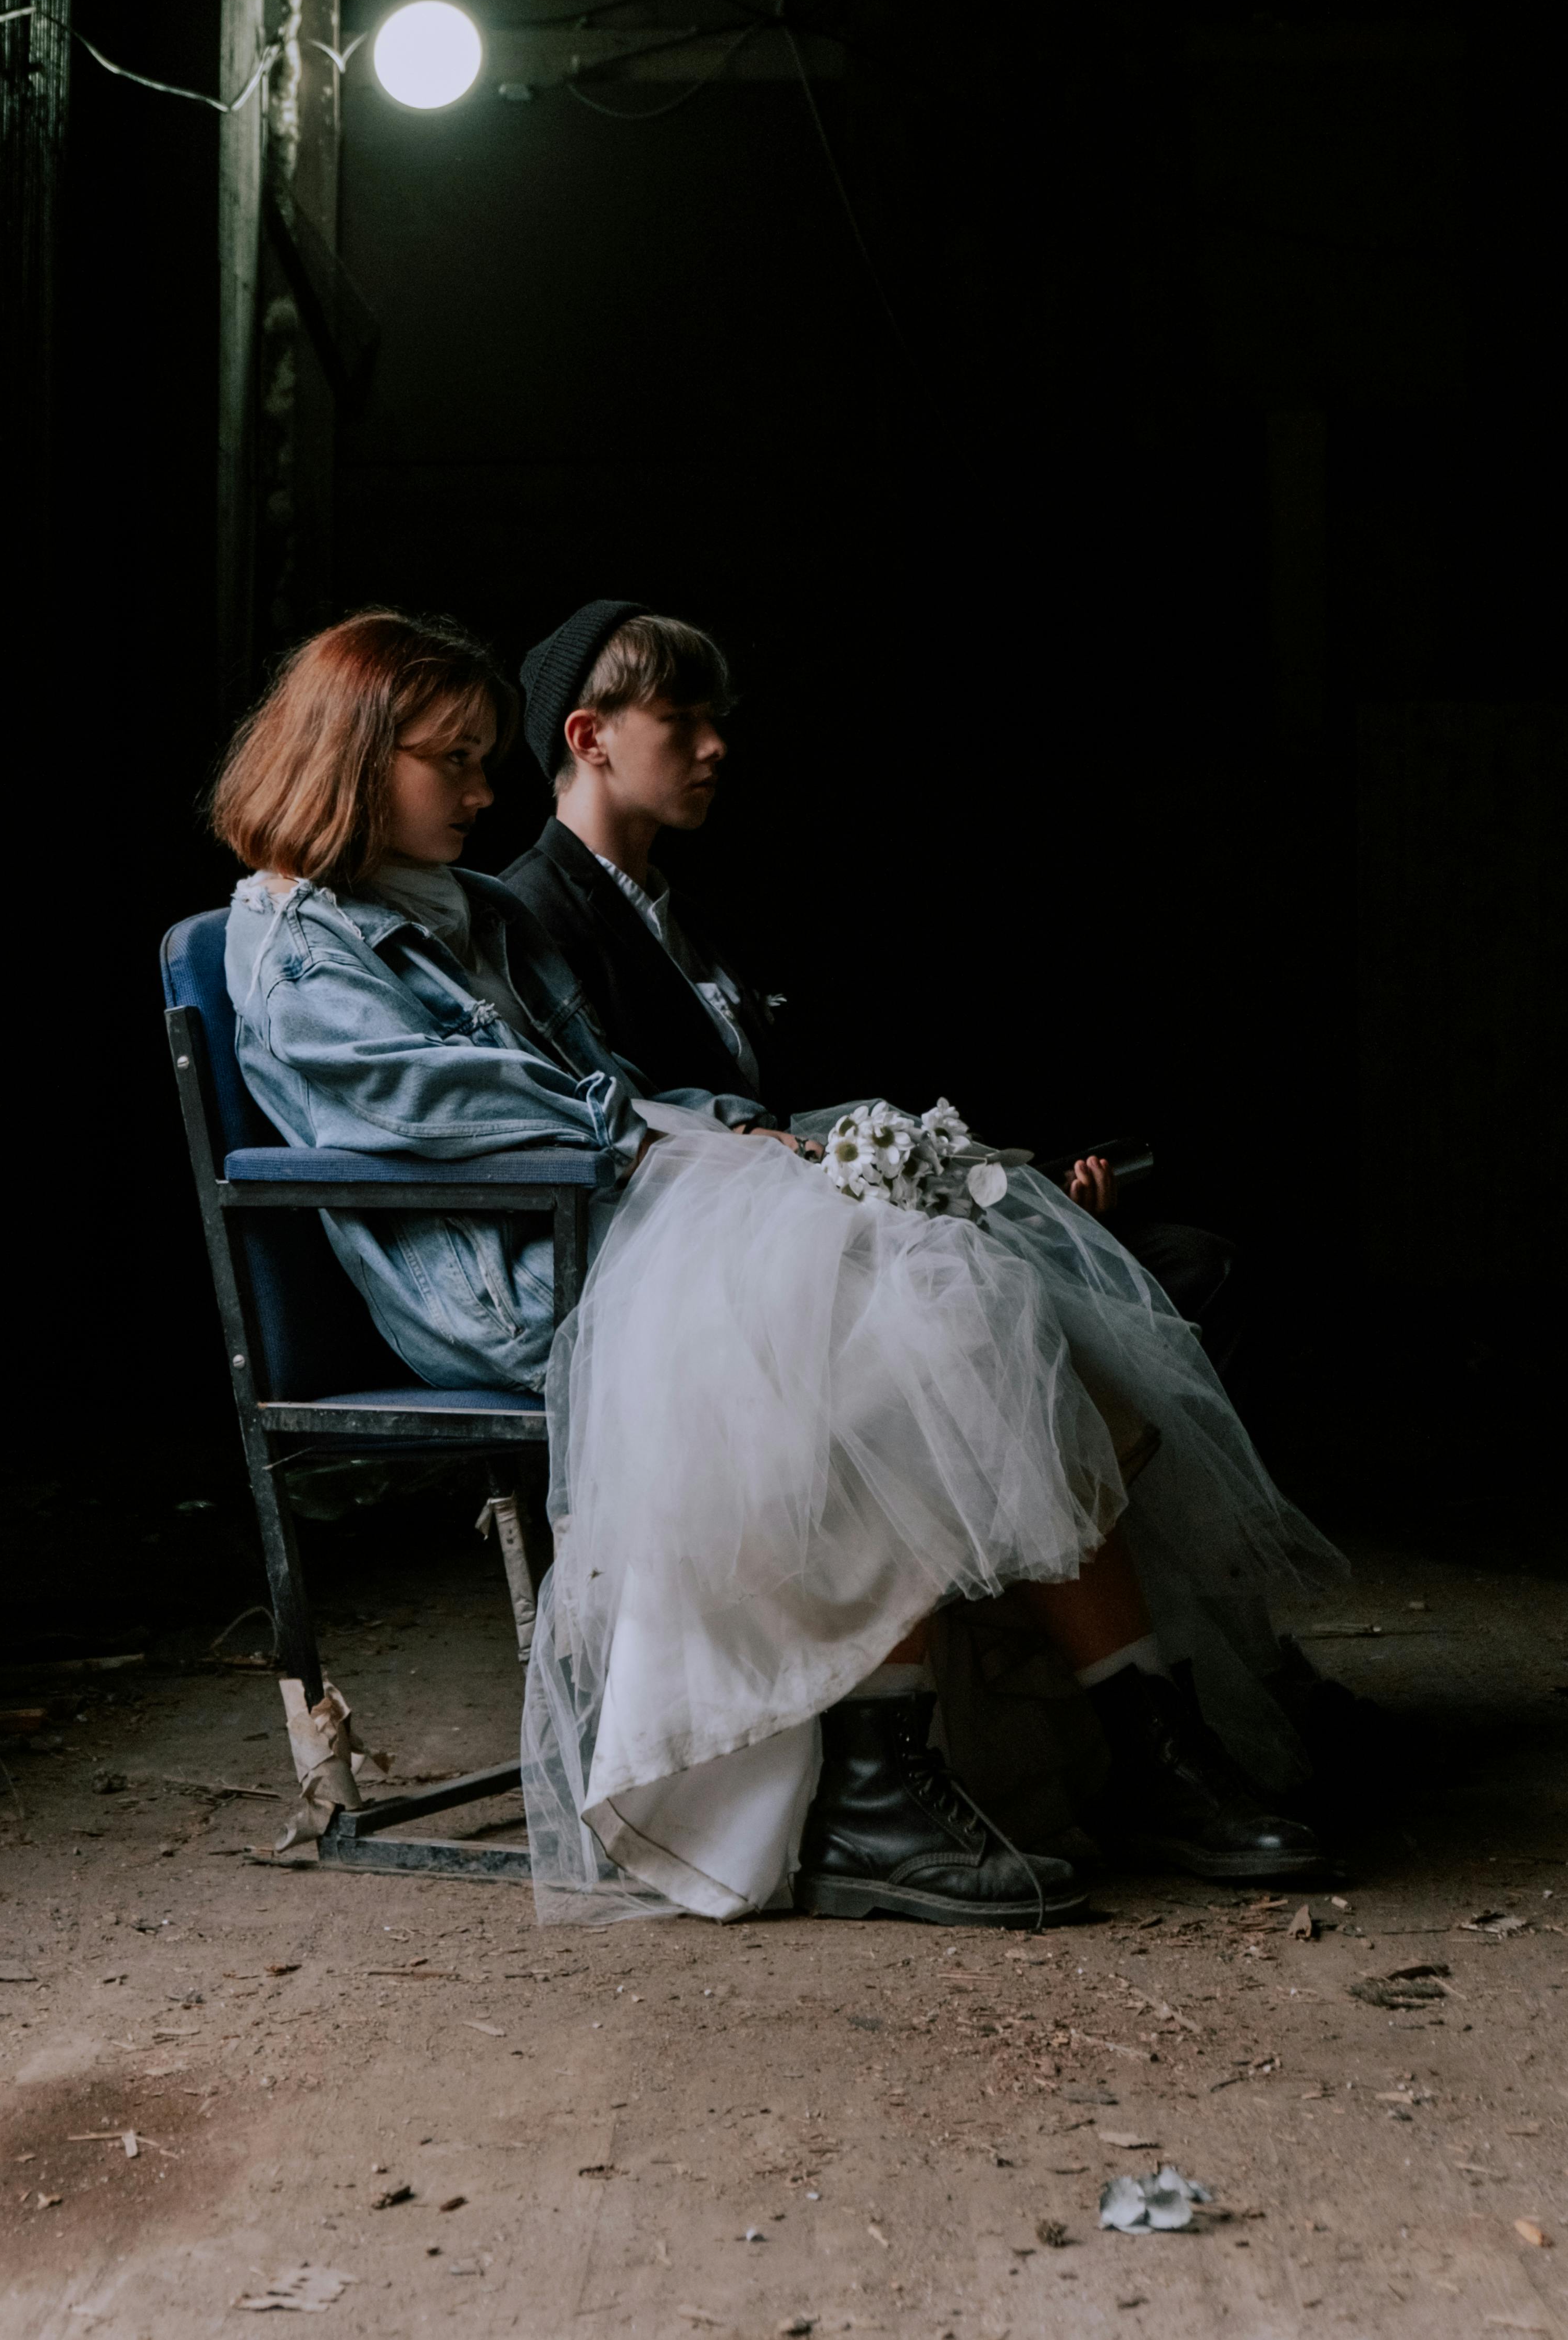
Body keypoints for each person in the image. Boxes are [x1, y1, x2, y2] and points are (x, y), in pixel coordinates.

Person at [214, 608, 1341, 1929]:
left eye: (479, 758)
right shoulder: (300, 950)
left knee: (962, 1289)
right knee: (887, 1317)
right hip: (529, 1285)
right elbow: (482, 1116)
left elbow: (613, 1087)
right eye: (449, 760)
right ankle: (910, 1776)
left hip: (615, 1219)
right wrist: (691, 1141)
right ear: (349, 757)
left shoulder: (458, 907)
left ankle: (1105, 1728)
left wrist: (756, 1133)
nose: (479, 789)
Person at [501, 601, 1237, 1345]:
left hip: (818, 1215)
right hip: (713, 1261)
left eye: (713, 719)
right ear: (589, 735)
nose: (716, 745)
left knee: (1177, 1261)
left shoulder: (689, 914)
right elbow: (607, 1128)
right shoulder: (528, 916)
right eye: (680, 719)